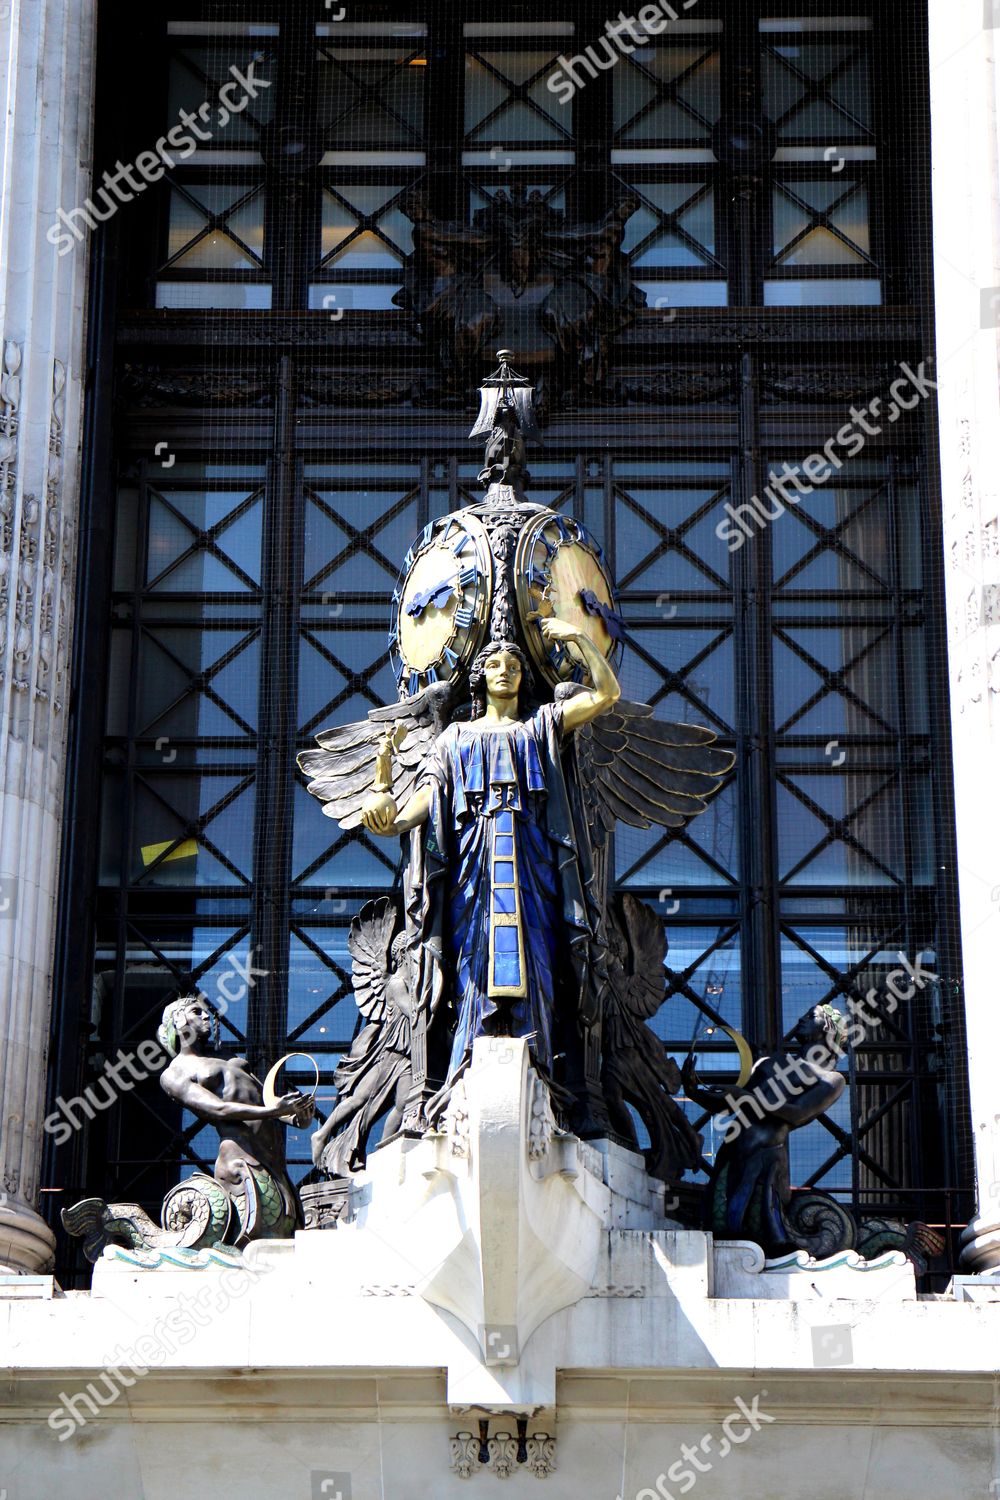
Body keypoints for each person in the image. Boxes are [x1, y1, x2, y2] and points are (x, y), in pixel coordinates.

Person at [359, 624, 620, 1096]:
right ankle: (468, 1071)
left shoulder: (540, 727)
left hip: (533, 870)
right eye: (495, 665)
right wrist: (387, 802)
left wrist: (578, 638)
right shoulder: (454, 739)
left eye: (514, 666)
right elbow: (422, 807)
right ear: (480, 677)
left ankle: (538, 1074)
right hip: (473, 873)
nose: (505, 672)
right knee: (472, 965)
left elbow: (606, 694)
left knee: (537, 960)